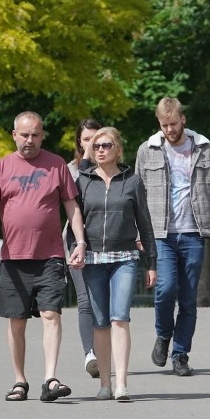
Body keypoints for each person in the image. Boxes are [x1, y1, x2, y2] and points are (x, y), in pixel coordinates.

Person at [135, 97, 210, 376]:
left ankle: (180, 354)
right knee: (165, 290)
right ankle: (163, 335)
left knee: (187, 298)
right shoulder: (147, 150)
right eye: (164, 125)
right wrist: (136, 231)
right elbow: (135, 195)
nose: (169, 130)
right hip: (161, 233)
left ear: (183, 119)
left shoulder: (205, 148)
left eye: (173, 124)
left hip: (194, 232)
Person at [0, 111, 86, 402]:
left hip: (49, 255)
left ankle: (50, 379)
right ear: (14, 135)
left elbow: (71, 205)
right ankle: (19, 381)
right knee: (16, 320)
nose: (30, 140)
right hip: (13, 258)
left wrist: (80, 241)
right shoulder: (2, 166)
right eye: (24, 135)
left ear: (42, 135)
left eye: (35, 134)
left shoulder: (57, 165)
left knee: (51, 314)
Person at [71, 126, 157, 401]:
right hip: (93, 259)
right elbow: (74, 219)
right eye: (96, 145)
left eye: (106, 145)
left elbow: (145, 222)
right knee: (100, 323)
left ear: (118, 149)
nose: (100, 150)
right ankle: (104, 384)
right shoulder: (83, 181)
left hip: (124, 258)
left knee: (120, 318)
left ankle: (121, 384)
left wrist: (152, 262)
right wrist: (77, 248)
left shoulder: (132, 181)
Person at [65, 118, 102, 378]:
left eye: (95, 139)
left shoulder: (114, 168)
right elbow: (73, 201)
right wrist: (87, 162)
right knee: (84, 300)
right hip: (76, 240)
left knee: (104, 302)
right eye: (86, 139)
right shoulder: (70, 170)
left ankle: (105, 352)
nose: (91, 144)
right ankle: (90, 353)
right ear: (79, 141)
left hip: (106, 241)